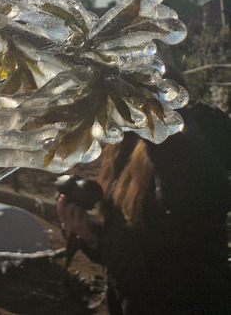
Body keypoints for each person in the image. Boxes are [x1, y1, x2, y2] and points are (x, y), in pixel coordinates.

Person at [57, 85, 231, 315]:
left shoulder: (191, 139)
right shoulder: (122, 149)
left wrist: (151, 92)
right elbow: (130, 252)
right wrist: (92, 239)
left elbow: (194, 190)